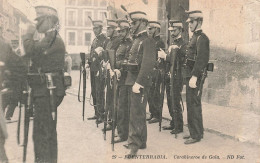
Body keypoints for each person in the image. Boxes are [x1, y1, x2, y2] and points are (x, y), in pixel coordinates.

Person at [22, 5, 66, 162]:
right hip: (44, 90)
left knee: (43, 133)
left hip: (48, 90)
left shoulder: (52, 39)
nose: (37, 24)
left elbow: (30, 50)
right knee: (44, 132)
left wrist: (27, 33)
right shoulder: (49, 38)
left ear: (49, 20)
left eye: (39, 20)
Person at [124, 11, 156, 156]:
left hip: (139, 82)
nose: (131, 26)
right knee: (137, 112)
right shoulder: (136, 40)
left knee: (136, 113)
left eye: (134, 23)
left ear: (143, 23)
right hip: (132, 80)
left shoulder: (147, 41)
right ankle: (141, 141)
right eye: (131, 23)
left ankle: (134, 144)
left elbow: (148, 64)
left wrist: (139, 82)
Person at [183, 10, 209, 144]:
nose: (189, 25)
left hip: (195, 76)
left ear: (199, 22)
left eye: (192, 22)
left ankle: (196, 134)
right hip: (190, 75)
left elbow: (201, 59)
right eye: (189, 22)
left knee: (194, 104)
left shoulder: (202, 38)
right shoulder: (194, 37)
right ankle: (195, 131)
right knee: (191, 104)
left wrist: (194, 76)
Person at [158, 20, 186, 135]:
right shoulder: (172, 43)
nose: (172, 33)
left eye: (174, 30)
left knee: (175, 100)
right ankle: (173, 122)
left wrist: (166, 57)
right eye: (171, 31)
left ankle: (179, 126)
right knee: (170, 100)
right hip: (169, 75)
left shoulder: (183, 44)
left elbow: (180, 61)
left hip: (177, 76)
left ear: (180, 30)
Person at [97, 19, 121, 131]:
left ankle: (113, 122)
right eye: (107, 28)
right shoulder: (108, 41)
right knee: (109, 98)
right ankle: (110, 120)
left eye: (109, 28)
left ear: (115, 30)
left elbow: (114, 57)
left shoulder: (117, 41)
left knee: (113, 99)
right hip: (107, 72)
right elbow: (106, 55)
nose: (107, 30)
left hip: (114, 73)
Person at [112, 19, 132, 143]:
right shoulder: (121, 43)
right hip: (119, 78)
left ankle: (123, 134)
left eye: (122, 31)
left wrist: (117, 66)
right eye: (118, 31)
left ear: (127, 31)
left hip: (125, 78)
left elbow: (127, 61)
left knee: (123, 107)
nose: (119, 34)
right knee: (118, 105)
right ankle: (121, 131)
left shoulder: (130, 44)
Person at [87, 20, 107, 124]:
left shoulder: (104, 39)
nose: (94, 30)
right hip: (93, 69)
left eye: (96, 28)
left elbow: (104, 55)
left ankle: (101, 114)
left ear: (101, 28)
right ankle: (96, 112)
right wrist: (88, 62)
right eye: (93, 28)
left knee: (100, 92)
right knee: (94, 91)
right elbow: (91, 53)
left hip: (100, 70)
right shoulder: (94, 40)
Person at [146, 21, 165, 124]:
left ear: (157, 30)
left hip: (156, 71)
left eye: (151, 29)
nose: (149, 30)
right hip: (150, 70)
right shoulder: (150, 41)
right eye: (149, 29)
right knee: (150, 93)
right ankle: (152, 113)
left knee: (155, 93)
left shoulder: (160, 42)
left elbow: (160, 58)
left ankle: (157, 115)